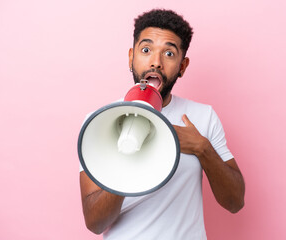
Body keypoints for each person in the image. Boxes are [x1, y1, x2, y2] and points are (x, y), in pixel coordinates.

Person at [79, 9, 245, 240]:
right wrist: (124, 156)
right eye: (146, 50)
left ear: (182, 66)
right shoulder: (98, 123)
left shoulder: (203, 116)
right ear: (131, 57)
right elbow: (95, 223)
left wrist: (202, 148)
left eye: (168, 53)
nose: (155, 62)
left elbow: (235, 202)